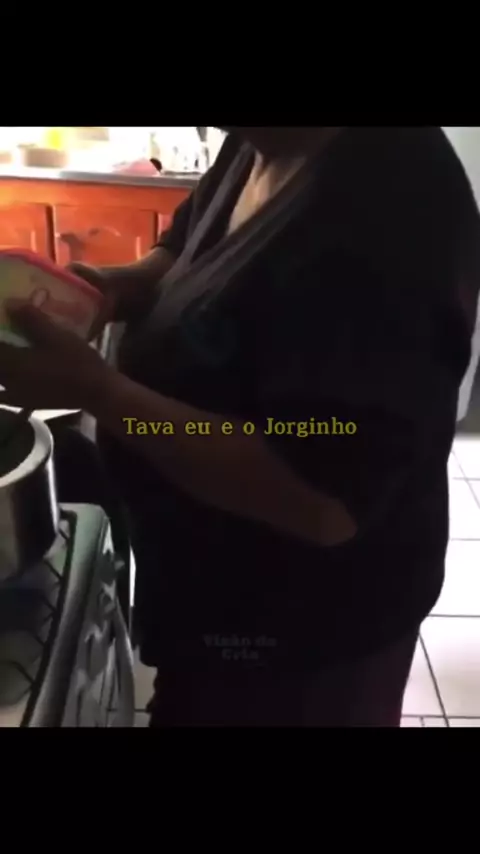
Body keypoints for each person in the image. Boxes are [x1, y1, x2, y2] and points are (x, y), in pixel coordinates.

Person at [1, 127, 479, 727]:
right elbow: (185, 250)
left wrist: (99, 391)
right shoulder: (264, 141)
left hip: (303, 640)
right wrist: (111, 291)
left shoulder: (391, 206)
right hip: (212, 589)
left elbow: (318, 497)